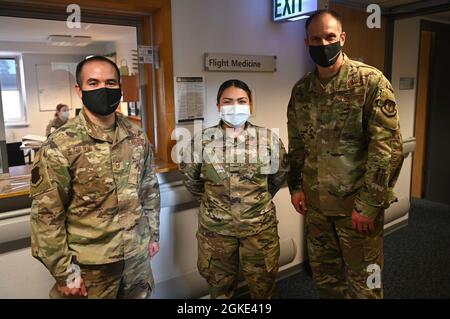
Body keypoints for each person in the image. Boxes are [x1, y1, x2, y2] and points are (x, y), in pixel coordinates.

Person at [287, 10, 404, 299]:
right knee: (328, 283)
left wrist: (368, 204)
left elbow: (387, 150)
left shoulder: (370, 82)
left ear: (342, 38)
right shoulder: (302, 90)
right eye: (316, 38)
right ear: (306, 43)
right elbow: (297, 144)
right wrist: (296, 187)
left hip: (356, 210)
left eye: (329, 37)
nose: (323, 43)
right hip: (317, 210)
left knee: (365, 286)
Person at [30, 55, 160, 299]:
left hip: (136, 261)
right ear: (79, 90)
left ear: (119, 87)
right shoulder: (60, 145)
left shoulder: (136, 135)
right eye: (94, 83)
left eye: (111, 83)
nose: (104, 89)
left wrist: (152, 234)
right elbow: (47, 217)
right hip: (90, 268)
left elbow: (149, 189)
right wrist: (64, 271)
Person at [179, 79, 289, 298]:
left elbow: (279, 175)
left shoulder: (268, 139)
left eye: (241, 100)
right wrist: (217, 204)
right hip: (216, 232)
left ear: (251, 104)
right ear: (218, 106)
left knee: (264, 289)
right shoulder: (202, 140)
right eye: (227, 101)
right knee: (220, 290)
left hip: (259, 230)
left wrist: (255, 202)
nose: (235, 106)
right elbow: (191, 180)